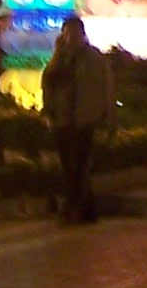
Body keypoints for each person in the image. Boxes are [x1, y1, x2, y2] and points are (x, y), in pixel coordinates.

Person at [41, 16, 117, 224]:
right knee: (70, 168)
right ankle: (88, 211)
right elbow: (48, 84)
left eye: (73, 33)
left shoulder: (94, 59)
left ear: (82, 34)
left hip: (85, 121)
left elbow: (106, 89)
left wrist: (108, 118)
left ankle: (72, 210)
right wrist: (49, 112)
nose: (70, 38)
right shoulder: (60, 59)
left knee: (77, 167)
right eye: (67, 34)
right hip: (63, 120)